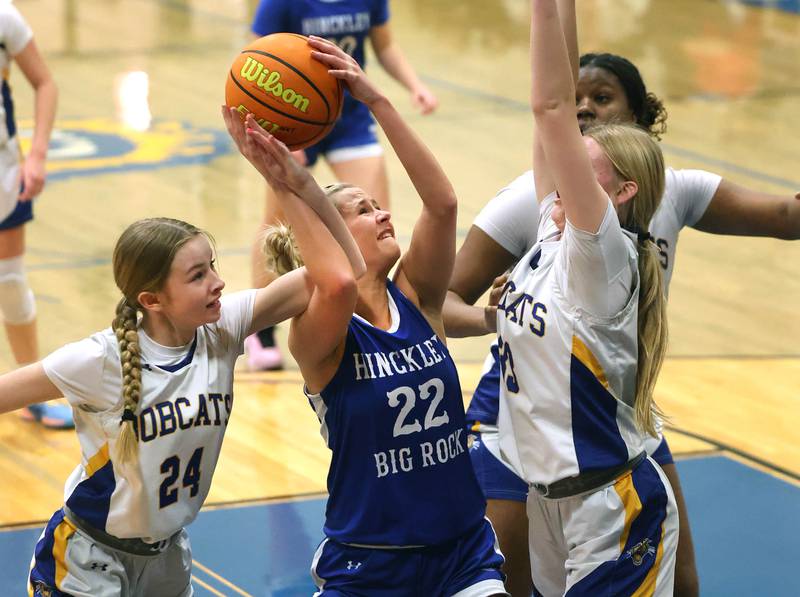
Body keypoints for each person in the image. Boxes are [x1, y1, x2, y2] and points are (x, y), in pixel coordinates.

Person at [445, 35, 800, 597]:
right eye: (578, 98)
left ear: (635, 118)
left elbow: (550, 107)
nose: (584, 108)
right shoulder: (546, 214)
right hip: (529, 423)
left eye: (602, 98)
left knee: (681, 576)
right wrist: (492, 319)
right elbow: (549, 107)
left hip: (606, 436)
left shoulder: (617, 233)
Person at [0, 106, 365, 596]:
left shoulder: (225, 326)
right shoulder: (97, 360)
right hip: (88, 560)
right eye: (198, 276)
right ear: (152, 301)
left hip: (168, 558)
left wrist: (287, 181)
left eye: (213, 266)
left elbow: (345, 270)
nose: (218, 283)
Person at [265, 36, 506, 596]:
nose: (383, 213)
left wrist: (377, 102)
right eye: (363, 211)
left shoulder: (418, 297)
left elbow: (442, 202)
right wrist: (294, 185)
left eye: (377, 205)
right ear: (329, 237)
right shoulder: (320, 332)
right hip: (370, 563)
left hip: (462, 553)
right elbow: (340, 280)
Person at [495, 0, 679, 593]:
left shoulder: (602, 253)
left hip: (610, 507)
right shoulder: (554, 226)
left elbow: (549, 106)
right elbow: (559, 100)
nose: (572, 145)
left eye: (586, 155)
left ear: (622, 192)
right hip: (550, 502)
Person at [245, 0, 439, 371]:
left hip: (347, 115)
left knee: (373, 214)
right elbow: (255, 62)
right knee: (278, 220)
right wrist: (274, 129)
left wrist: (415, 86)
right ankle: (262, 330)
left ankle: (372, 316)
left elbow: (384, 45)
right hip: (294, 114)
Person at [0, 2, 63, 428]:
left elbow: (45, 82)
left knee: (10, 282)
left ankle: (29, 398)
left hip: (3, 175)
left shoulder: (4, 15)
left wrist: (36, 154)